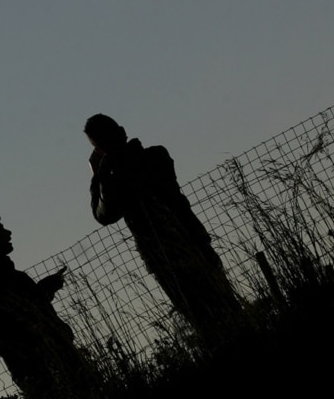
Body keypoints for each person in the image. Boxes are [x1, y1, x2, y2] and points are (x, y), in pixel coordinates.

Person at [84, 113, 243, 345]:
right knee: (225, 301)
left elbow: (104, 215)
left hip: (161, 254)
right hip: (192, 237)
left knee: (201, 317)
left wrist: (98, 176)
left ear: (100, 149)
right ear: (121, 131)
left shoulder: (115, 178)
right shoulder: (157, 155)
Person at [0, 213, 92, 399]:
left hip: (37, 361)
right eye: (0, 230)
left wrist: (44, 290)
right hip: (39, 361)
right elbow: (21, 313)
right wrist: (45, 289)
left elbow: (24, 307)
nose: (8, 233)